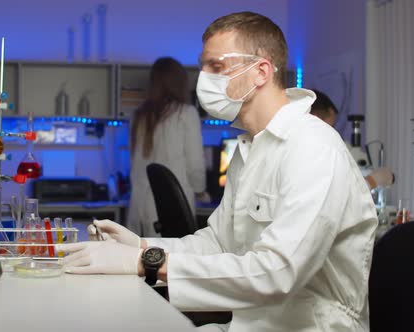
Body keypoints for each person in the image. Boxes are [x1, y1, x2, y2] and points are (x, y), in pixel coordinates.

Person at [57, 12, 378, 331]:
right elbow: (219, 243)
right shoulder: (250, 149)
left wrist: (145, 264)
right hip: (251, 323)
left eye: (217, 66)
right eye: (204, 66)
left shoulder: (313, 145)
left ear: (261, 72)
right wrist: (140, 245)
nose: (203, 78)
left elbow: (277, 272)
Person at [126, 57, 207, 237]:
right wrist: (201, 191)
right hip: (171, 209)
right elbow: (195, 165)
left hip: (140, 207)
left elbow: (134, 164)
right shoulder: (186, 113)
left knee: (143, 261)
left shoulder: (138, 116)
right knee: (170, 262)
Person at [310, 89, 394, 190]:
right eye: (331, 126)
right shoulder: (316, 152)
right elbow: (340, 195)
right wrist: (373, 180)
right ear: (316, 118)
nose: (332, 132)